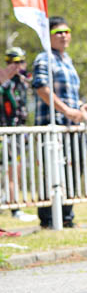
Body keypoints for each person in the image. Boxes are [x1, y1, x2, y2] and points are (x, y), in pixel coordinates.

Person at [32, 16, 87, 228]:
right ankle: (49, 218)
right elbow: (42, 89)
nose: (63, 36)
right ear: (48, 36)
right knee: (52, 171)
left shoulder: (67, 60)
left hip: (72, 127)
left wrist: (81, 108)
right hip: (53, 126)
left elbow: (70, 95)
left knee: (75, 168)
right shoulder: (44, 58)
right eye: (58, 32)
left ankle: (67, 215)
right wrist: (67, 111)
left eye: (66, 31)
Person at [0, 47, 36, 222]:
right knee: (11, 170)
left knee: (17, 170)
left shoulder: (24, 81)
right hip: (7, 132)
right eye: (14, 62)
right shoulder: (5, 83)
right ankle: (15, 208)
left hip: (21, 132)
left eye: (21, 62)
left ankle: (9, 201)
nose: (18, 66)